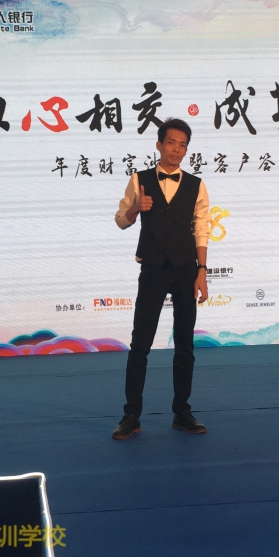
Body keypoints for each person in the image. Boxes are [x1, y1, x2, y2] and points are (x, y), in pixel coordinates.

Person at [112, 117, 210, 439]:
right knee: (140, 343)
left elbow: (202, 228)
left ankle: (182, 411)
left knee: (185, 344)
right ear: (159, 145)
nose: (176, 150)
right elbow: (121, 220)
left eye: (183, 145)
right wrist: (137, 208)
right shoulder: (139, 180)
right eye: (171, 143)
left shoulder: (196, 185)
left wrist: (202, 270)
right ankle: (131, 415)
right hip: (153, 269)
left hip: (186, 270)